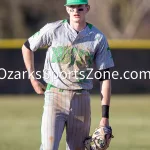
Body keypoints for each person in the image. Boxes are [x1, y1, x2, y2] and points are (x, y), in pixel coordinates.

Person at [22, 0, 114, 150]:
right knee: (48, 147)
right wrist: (33, 79)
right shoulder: (53, 29)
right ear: (67, 9)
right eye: (72, 7)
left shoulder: (98, 38)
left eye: (80, 7)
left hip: (81, 99)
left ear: (87, 8)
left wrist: (105, 117)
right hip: (55, 96)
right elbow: (27, 47)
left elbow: (105, 78)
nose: (76, 10)